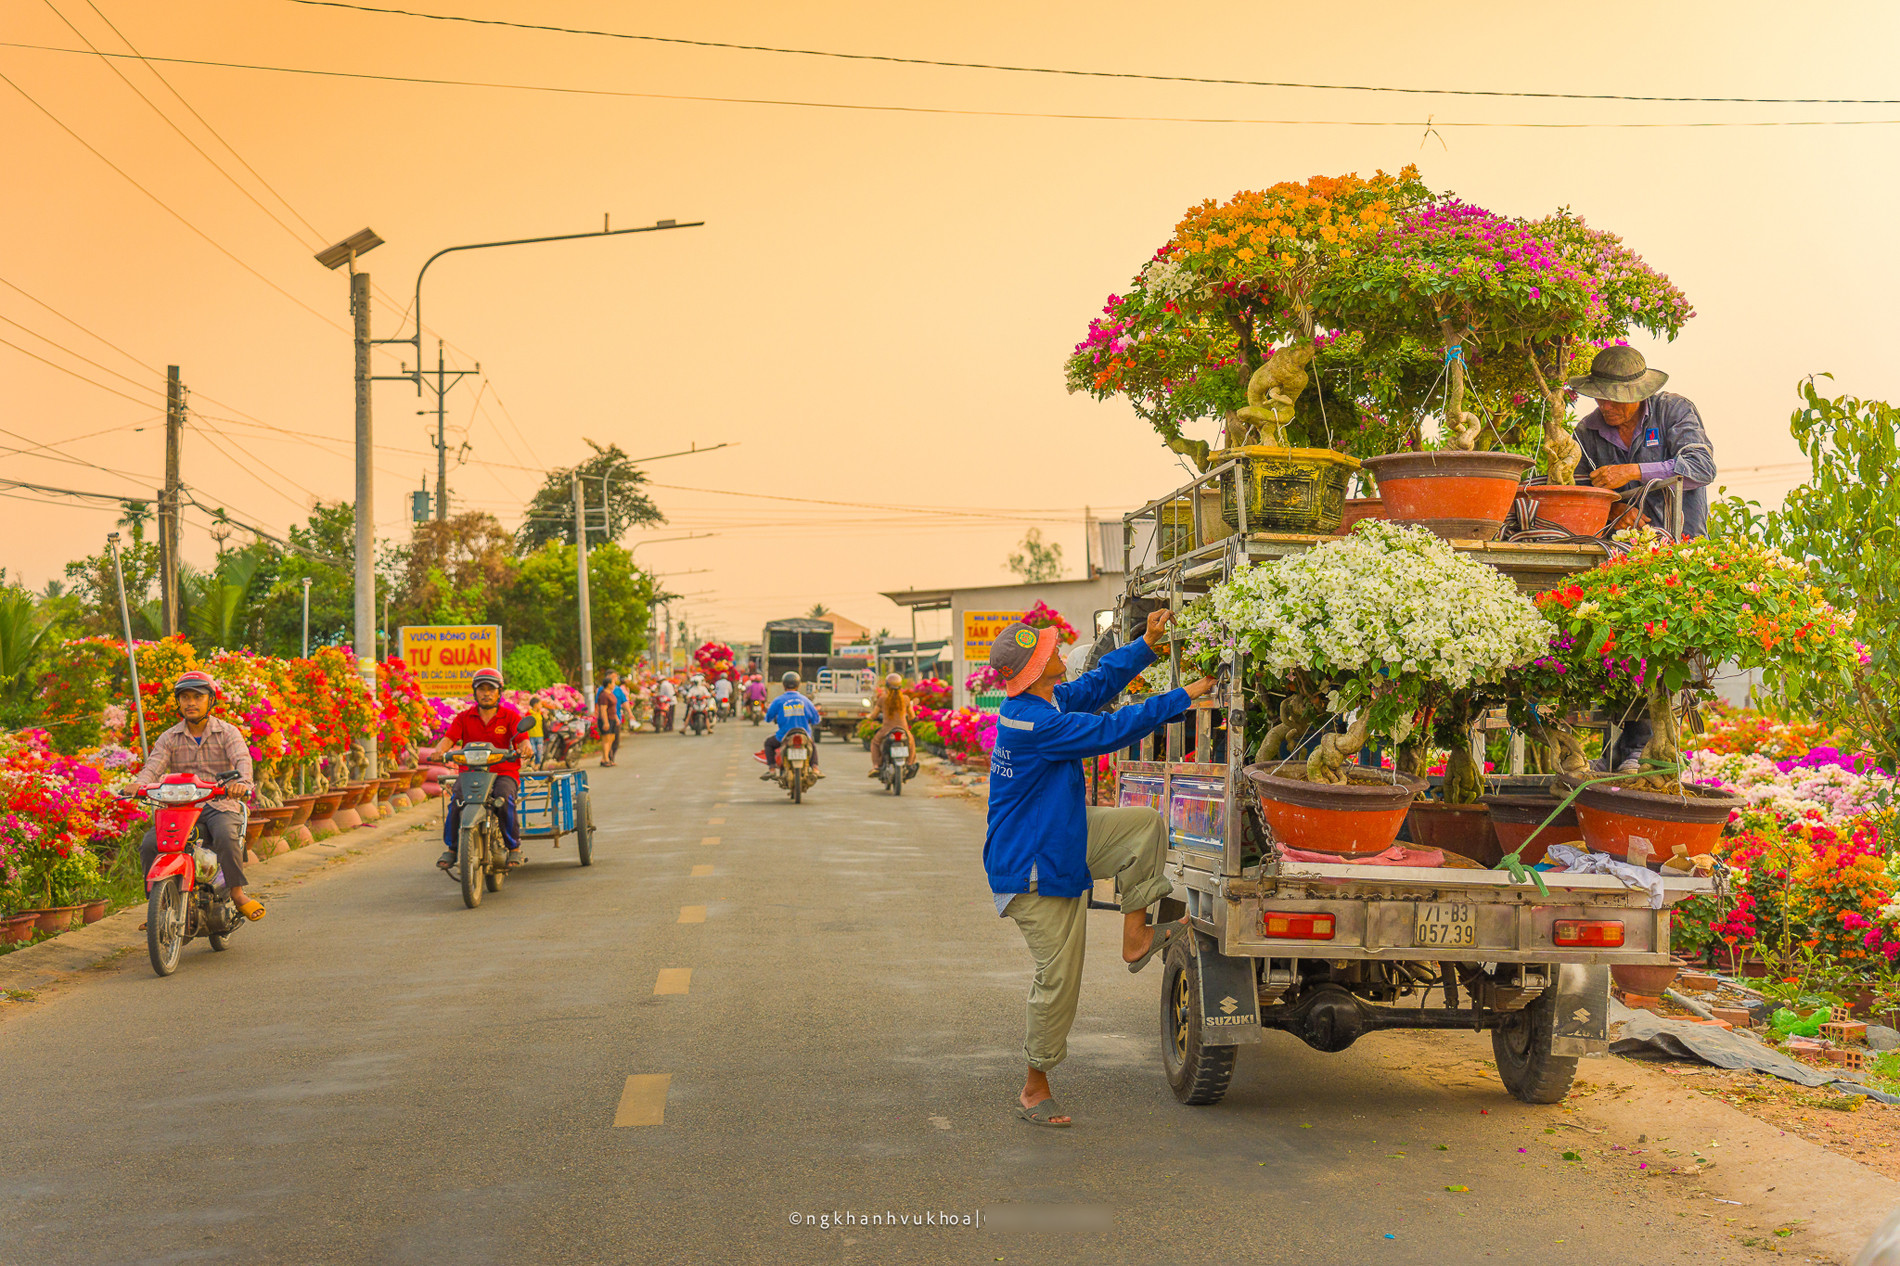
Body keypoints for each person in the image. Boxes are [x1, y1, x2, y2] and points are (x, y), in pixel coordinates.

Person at [985, 610, 1216, 1127]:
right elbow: (1112, 728)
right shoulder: (1036, 723)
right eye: (1051, 653)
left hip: (1059, 832)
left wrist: (1146, 643)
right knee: (1058, 976)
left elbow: (1097, 684)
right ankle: (1034, 1086)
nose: (1061, 654)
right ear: (1038, 669)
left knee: (1142, 827)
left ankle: (1136, 937)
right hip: (1034, 865)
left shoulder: (1045, 700)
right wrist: (1186, 695)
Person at [1567, 345, 1717, 770]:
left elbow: (1701, 467)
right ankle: (1624, 748)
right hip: (1622, 554)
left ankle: (1641, 750)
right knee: (1625, 648)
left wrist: (1634, 472)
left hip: (1680, 550)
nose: (1608, 405)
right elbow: (1583, 490)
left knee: (1664, 645)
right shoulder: (1586, 432)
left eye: (1617, 396)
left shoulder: (1674, 413)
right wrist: (1618, 510)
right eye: (1601, 395)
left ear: (1640, 391)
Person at [131, 671, 265, 922]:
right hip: (181, 807)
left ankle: (237, 893)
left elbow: (242, 761)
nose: (190, 702)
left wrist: (241, 784)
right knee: (150, 844)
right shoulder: (169, 737)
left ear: (210, 701)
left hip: (220, 804)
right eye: (184, 697)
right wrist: (138, 784)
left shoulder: (228, 733)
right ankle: (158, 905)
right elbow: (153, 766)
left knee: (226, 836)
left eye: (197, 697)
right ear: (178, 702)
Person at [426, 668, 532, 870]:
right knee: (456, 800)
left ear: (499, 692)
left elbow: (522, 740)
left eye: (491, 689)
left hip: (503, 773)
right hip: (471, 773)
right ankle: (451, 849)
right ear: (475, 692)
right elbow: (448, 740)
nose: (486, 693)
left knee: (504, 798)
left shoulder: (509, 717)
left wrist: (525, 748)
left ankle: (514, 848)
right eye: (481, 689)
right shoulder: (464, 718)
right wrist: (439, 751)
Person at [760, 671, 824, 778]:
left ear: (783, 685)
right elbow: (816, 720)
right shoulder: (806, 701)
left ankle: (771, 769)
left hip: (784, 736)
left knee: (768, 743)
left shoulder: (778, 701)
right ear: (798, 685)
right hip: (804, 735)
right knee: (812, 744)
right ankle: (815, 769)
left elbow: (768, 718)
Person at [866, 672, 915, 776]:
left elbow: (874, 715)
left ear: (887, 686)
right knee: (911, 743)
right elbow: (912, 716)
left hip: (886, 731)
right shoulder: (905, 699)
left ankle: (876, 766)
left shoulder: (882, 699)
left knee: (875, 743)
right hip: (903, 730)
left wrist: (868, 717)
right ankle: (910, 764)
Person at [595, 671, 622, 767]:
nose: (614, 684)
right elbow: (603, 709)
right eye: (613, 683)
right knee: (606, 739)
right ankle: (605, 758)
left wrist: (616, 718)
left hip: (612, 718)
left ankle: (606, 757)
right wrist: (606, 722)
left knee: (612, 738)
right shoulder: (603, 695)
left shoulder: (610, 694)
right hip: (606, 719)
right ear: (608, 684)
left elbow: (613, 708)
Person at [523, 693, 547, 769]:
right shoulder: (528, 713)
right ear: (535, 704)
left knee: (539, 752)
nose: (541, 705)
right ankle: (531, 762)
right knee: (534, 751)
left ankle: (537, 765)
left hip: (540, 735)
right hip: (531, 736)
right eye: (540, 704)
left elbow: (543, 725)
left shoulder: (541, 714)